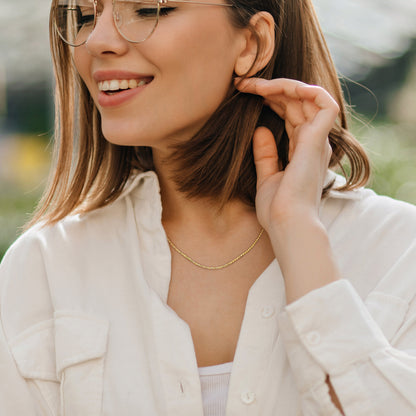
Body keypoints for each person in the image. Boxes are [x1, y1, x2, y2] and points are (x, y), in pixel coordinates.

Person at [0, 0, 415, 414]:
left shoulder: (399, 254)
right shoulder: (44, 270)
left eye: (149, 9)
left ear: (251, 43)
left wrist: (299, 236)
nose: (99, 41)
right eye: (86, 15)